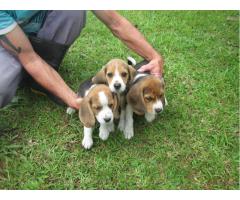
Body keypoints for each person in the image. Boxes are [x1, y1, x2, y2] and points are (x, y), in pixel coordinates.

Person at [0, 11, 164, 109]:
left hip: (36, 38)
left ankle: (42, 79)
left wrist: (153, 56)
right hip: (8, 45)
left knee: (73, 10)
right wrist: (72, 98)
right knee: (3, 83)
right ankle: (28, 76)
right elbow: (30, 59)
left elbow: (116, 22)